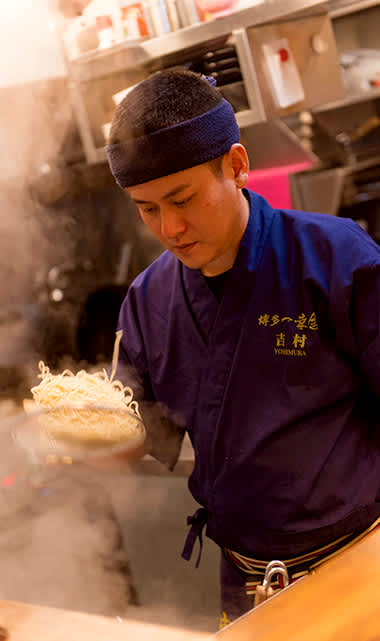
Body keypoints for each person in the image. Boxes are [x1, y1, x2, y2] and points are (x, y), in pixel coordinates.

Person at [105, 69, 380, 627]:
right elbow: (141, 435)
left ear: (235, 164)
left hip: (358, 564)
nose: (171, 227)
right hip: (247, 586)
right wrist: (81, 437)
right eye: (148, 208)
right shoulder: (147, 300)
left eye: (183, 198)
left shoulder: (336, 259)